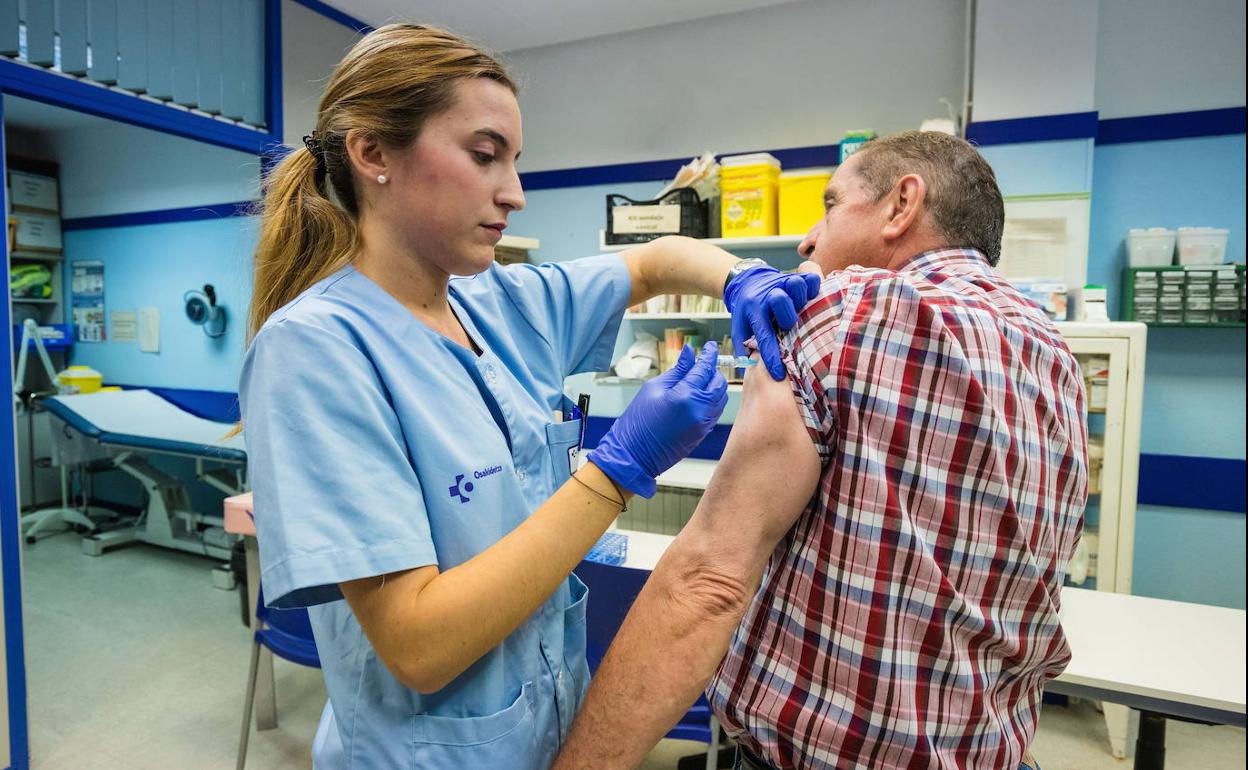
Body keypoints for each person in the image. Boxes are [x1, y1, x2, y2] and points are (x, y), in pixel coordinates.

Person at [238, 23, 822, 769]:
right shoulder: (315, 351)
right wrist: (616, 472)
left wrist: (736, 276)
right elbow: (418, 645)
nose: (513, 193)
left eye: (514, 161)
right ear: (373, 153)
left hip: (549, 732)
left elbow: (649, 262)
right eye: (484, 156)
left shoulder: (497, 303)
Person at [553, 131, 1087, 770]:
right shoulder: (1053, 351)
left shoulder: (845, 311)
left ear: (901, 205)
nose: (808, 240)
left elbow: (709, 582)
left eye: (830, 206)